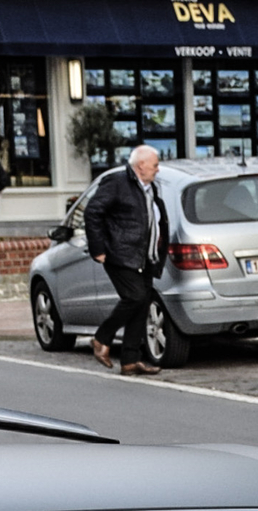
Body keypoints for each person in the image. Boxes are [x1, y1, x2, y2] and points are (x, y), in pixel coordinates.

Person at [86, 144, 169, 375]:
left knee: (142, 304)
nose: (158, 169)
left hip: (145, 256)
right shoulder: (117, 183)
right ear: (141, 166)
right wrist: (98, 248)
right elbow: (93, 211)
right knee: (135, 297)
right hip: (120, 253)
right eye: (155, 165)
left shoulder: (150, 188)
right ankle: (102, 338)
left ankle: (130, 360)